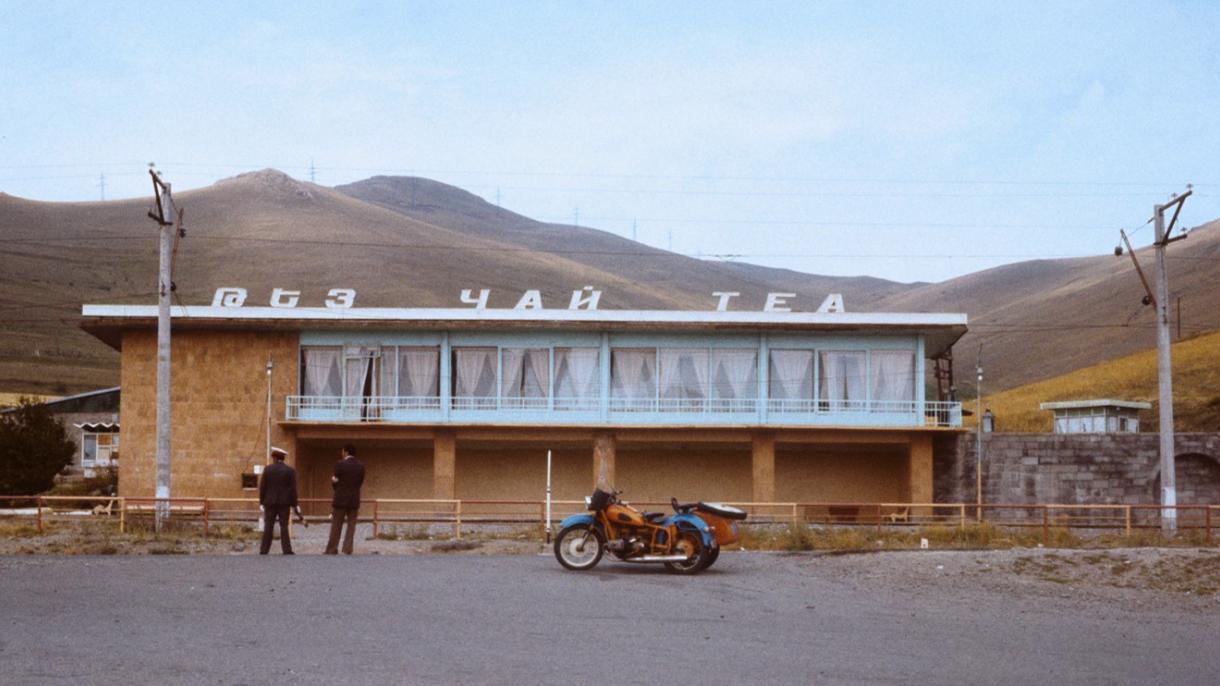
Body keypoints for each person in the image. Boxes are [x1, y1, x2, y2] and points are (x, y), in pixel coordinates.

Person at [258, 446, 302, 555]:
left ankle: (264, 549)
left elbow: (263, 487)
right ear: (283, 458)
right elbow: (292, 489)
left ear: (274, 458)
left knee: (268, 526)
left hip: (269, 502)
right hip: (284, 502)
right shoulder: (290, 471)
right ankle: (286, 549)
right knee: (284, 526)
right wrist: (295, 504)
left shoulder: (268, 469)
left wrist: (262, 502)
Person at [325, 443, 365, 555]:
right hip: (354, 499)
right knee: (351, 525)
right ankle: (347, 549)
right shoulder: (361, 466)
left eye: (342, 451)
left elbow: (335, 480)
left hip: (340, 499)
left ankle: (332, 549)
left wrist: (337, 488)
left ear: (346, 452)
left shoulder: (340, 464)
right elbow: (360, 482)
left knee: (336, 525)